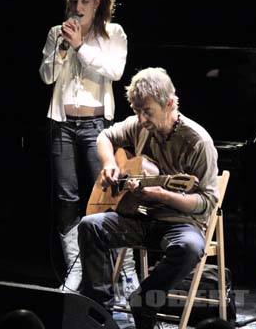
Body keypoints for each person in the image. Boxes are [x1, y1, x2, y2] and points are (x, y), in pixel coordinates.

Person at [78, 67, 219, 329]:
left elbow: (206, 203)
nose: (141, 119)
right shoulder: (141, 126)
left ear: (169, 103)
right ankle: (98, 309)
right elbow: (105, 135)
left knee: (189, 247)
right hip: (139, 217)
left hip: (180, 223)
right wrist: (109, 163)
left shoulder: (198, 142)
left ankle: (144, 300)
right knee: (90, 226)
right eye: (137, 111)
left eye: (147, 111)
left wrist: (164, 195)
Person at [38, 0, 138, 293]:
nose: (78, 8)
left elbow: (115, 72)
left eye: (84, 2)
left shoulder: (113, 34)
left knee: (108, 197)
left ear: (96, 3)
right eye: (74, 2)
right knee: (67, 198)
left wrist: (82, 45)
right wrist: (65, 48)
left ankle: (124, 271)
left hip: (97, 127)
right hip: (63, 124)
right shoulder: (58, 33)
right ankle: (76, 268)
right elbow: (46, 76)